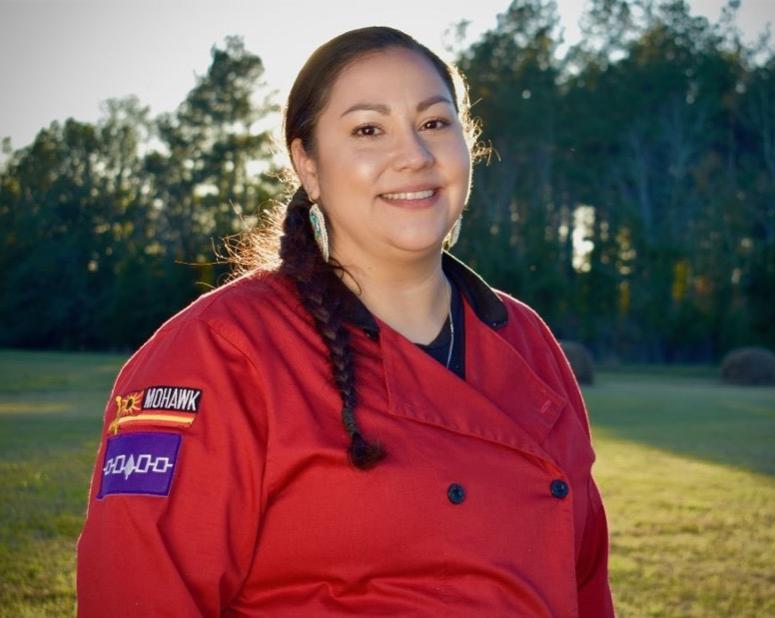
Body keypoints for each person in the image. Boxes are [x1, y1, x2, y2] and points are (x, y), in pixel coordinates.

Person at [76, 25, 615, 617]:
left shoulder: (525, 339)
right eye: (368, 129)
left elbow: (584, 583)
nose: (414, 155)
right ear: (307, 164)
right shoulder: (221, 352)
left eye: (434, 123)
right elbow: (136, 595)